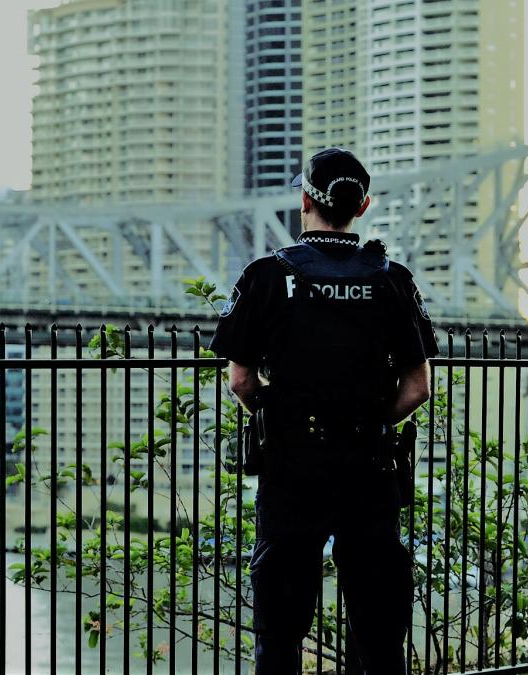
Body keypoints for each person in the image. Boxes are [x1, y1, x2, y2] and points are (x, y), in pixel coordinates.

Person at [209, 147, 438, 674]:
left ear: (305, 201)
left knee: (280, 631)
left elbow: (240, 379)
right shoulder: (392, 279)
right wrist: (372, 421)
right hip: (370, 466)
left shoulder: (267, 276)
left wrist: (279, 415)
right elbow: (418, 387)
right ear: (362, 207)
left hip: (292, 467)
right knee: (380, 631)